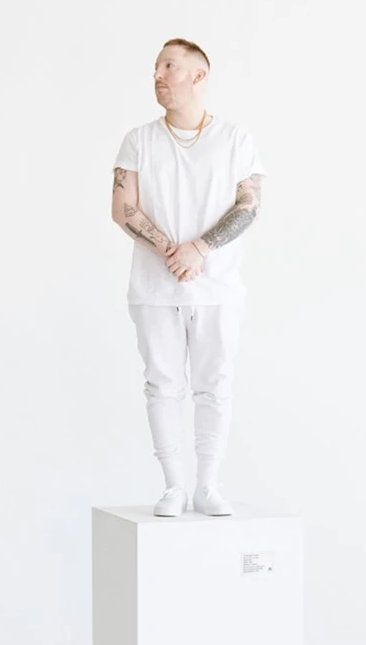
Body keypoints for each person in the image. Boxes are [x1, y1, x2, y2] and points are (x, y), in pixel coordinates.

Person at [110, 38, 268, 517]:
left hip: (218, 287)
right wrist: (170, 252)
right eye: (156, 67)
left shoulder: (235, 139)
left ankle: (208, 485)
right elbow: (123, 208)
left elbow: (249, 205)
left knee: (214, 384)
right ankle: (173, 486)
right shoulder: (138, 140)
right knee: (161, 384)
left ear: (198, 76)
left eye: (169, 66)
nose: (158, 75)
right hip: (155, 288)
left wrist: (199, 248)